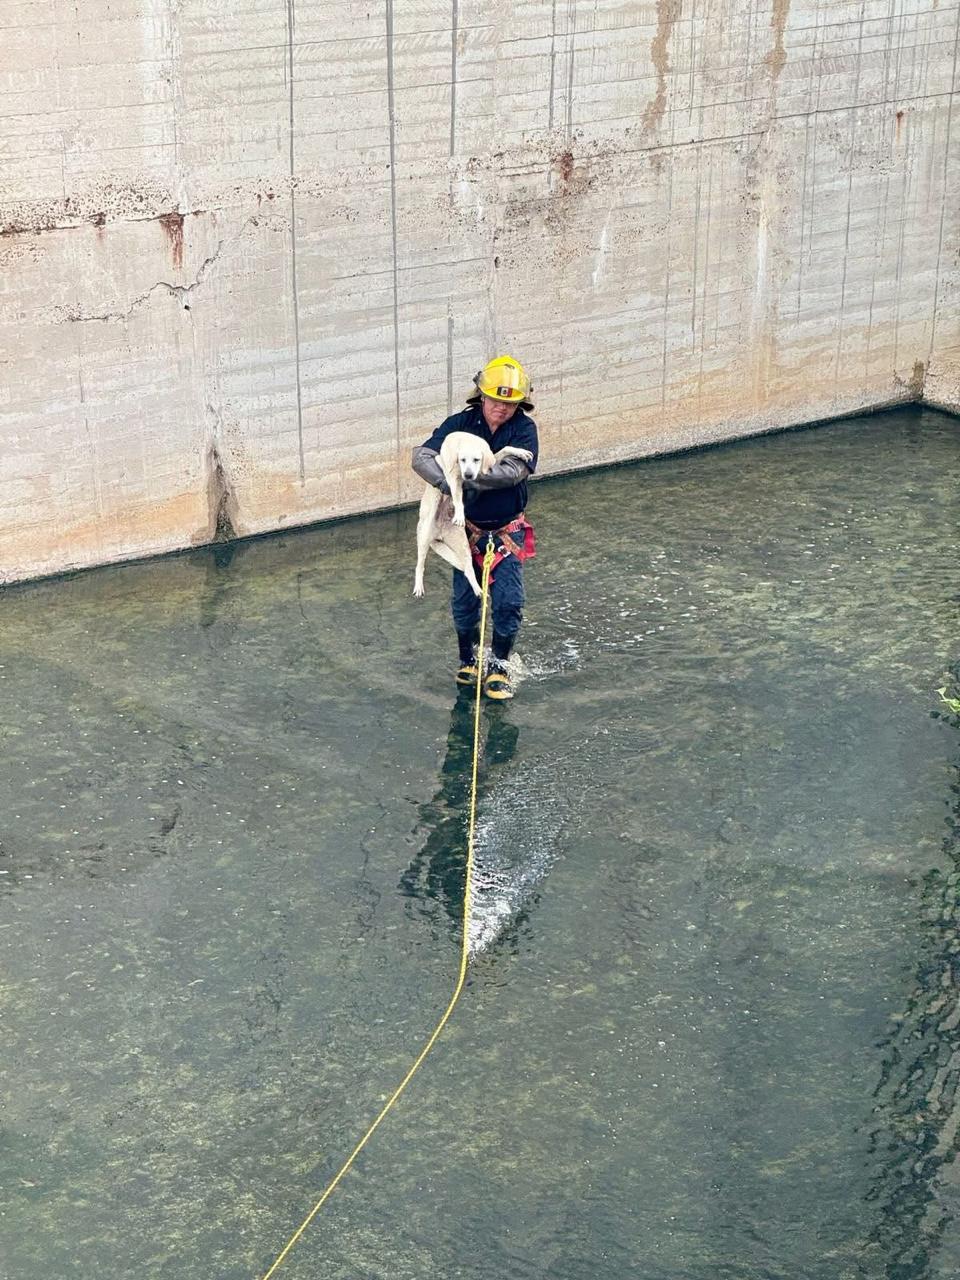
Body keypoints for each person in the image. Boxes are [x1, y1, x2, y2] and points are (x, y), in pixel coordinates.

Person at [412, 355, 539, 701]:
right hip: (464, 530)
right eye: (496, 400)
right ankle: (467, 659)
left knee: (509, 602)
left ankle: (499, 665)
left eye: (510, 403)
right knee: (465, 602)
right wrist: (446, 483)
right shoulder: (458, 425)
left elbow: (513, 472)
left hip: (505, 531)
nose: (501, 408)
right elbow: (421, 457)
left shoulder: (523, 430)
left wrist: (466, 480)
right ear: (481, 396)